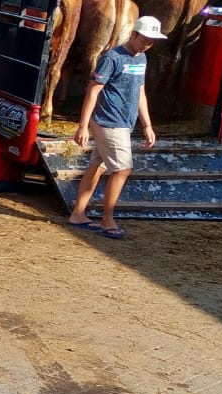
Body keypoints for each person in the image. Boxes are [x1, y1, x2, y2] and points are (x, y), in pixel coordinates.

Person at [66, 17, 164, 239]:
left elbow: (140, 92)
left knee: (97, 166)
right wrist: (82, 126)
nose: (148, 44)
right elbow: (93, 91)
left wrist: (147, 124)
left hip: (124, 123)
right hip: (109, 121)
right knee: (122, 169)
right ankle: (107, 220)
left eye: (152, 41)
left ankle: (78, 214)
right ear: (134, 34)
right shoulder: (112, 58)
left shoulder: (142, 59)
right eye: (145, 39)